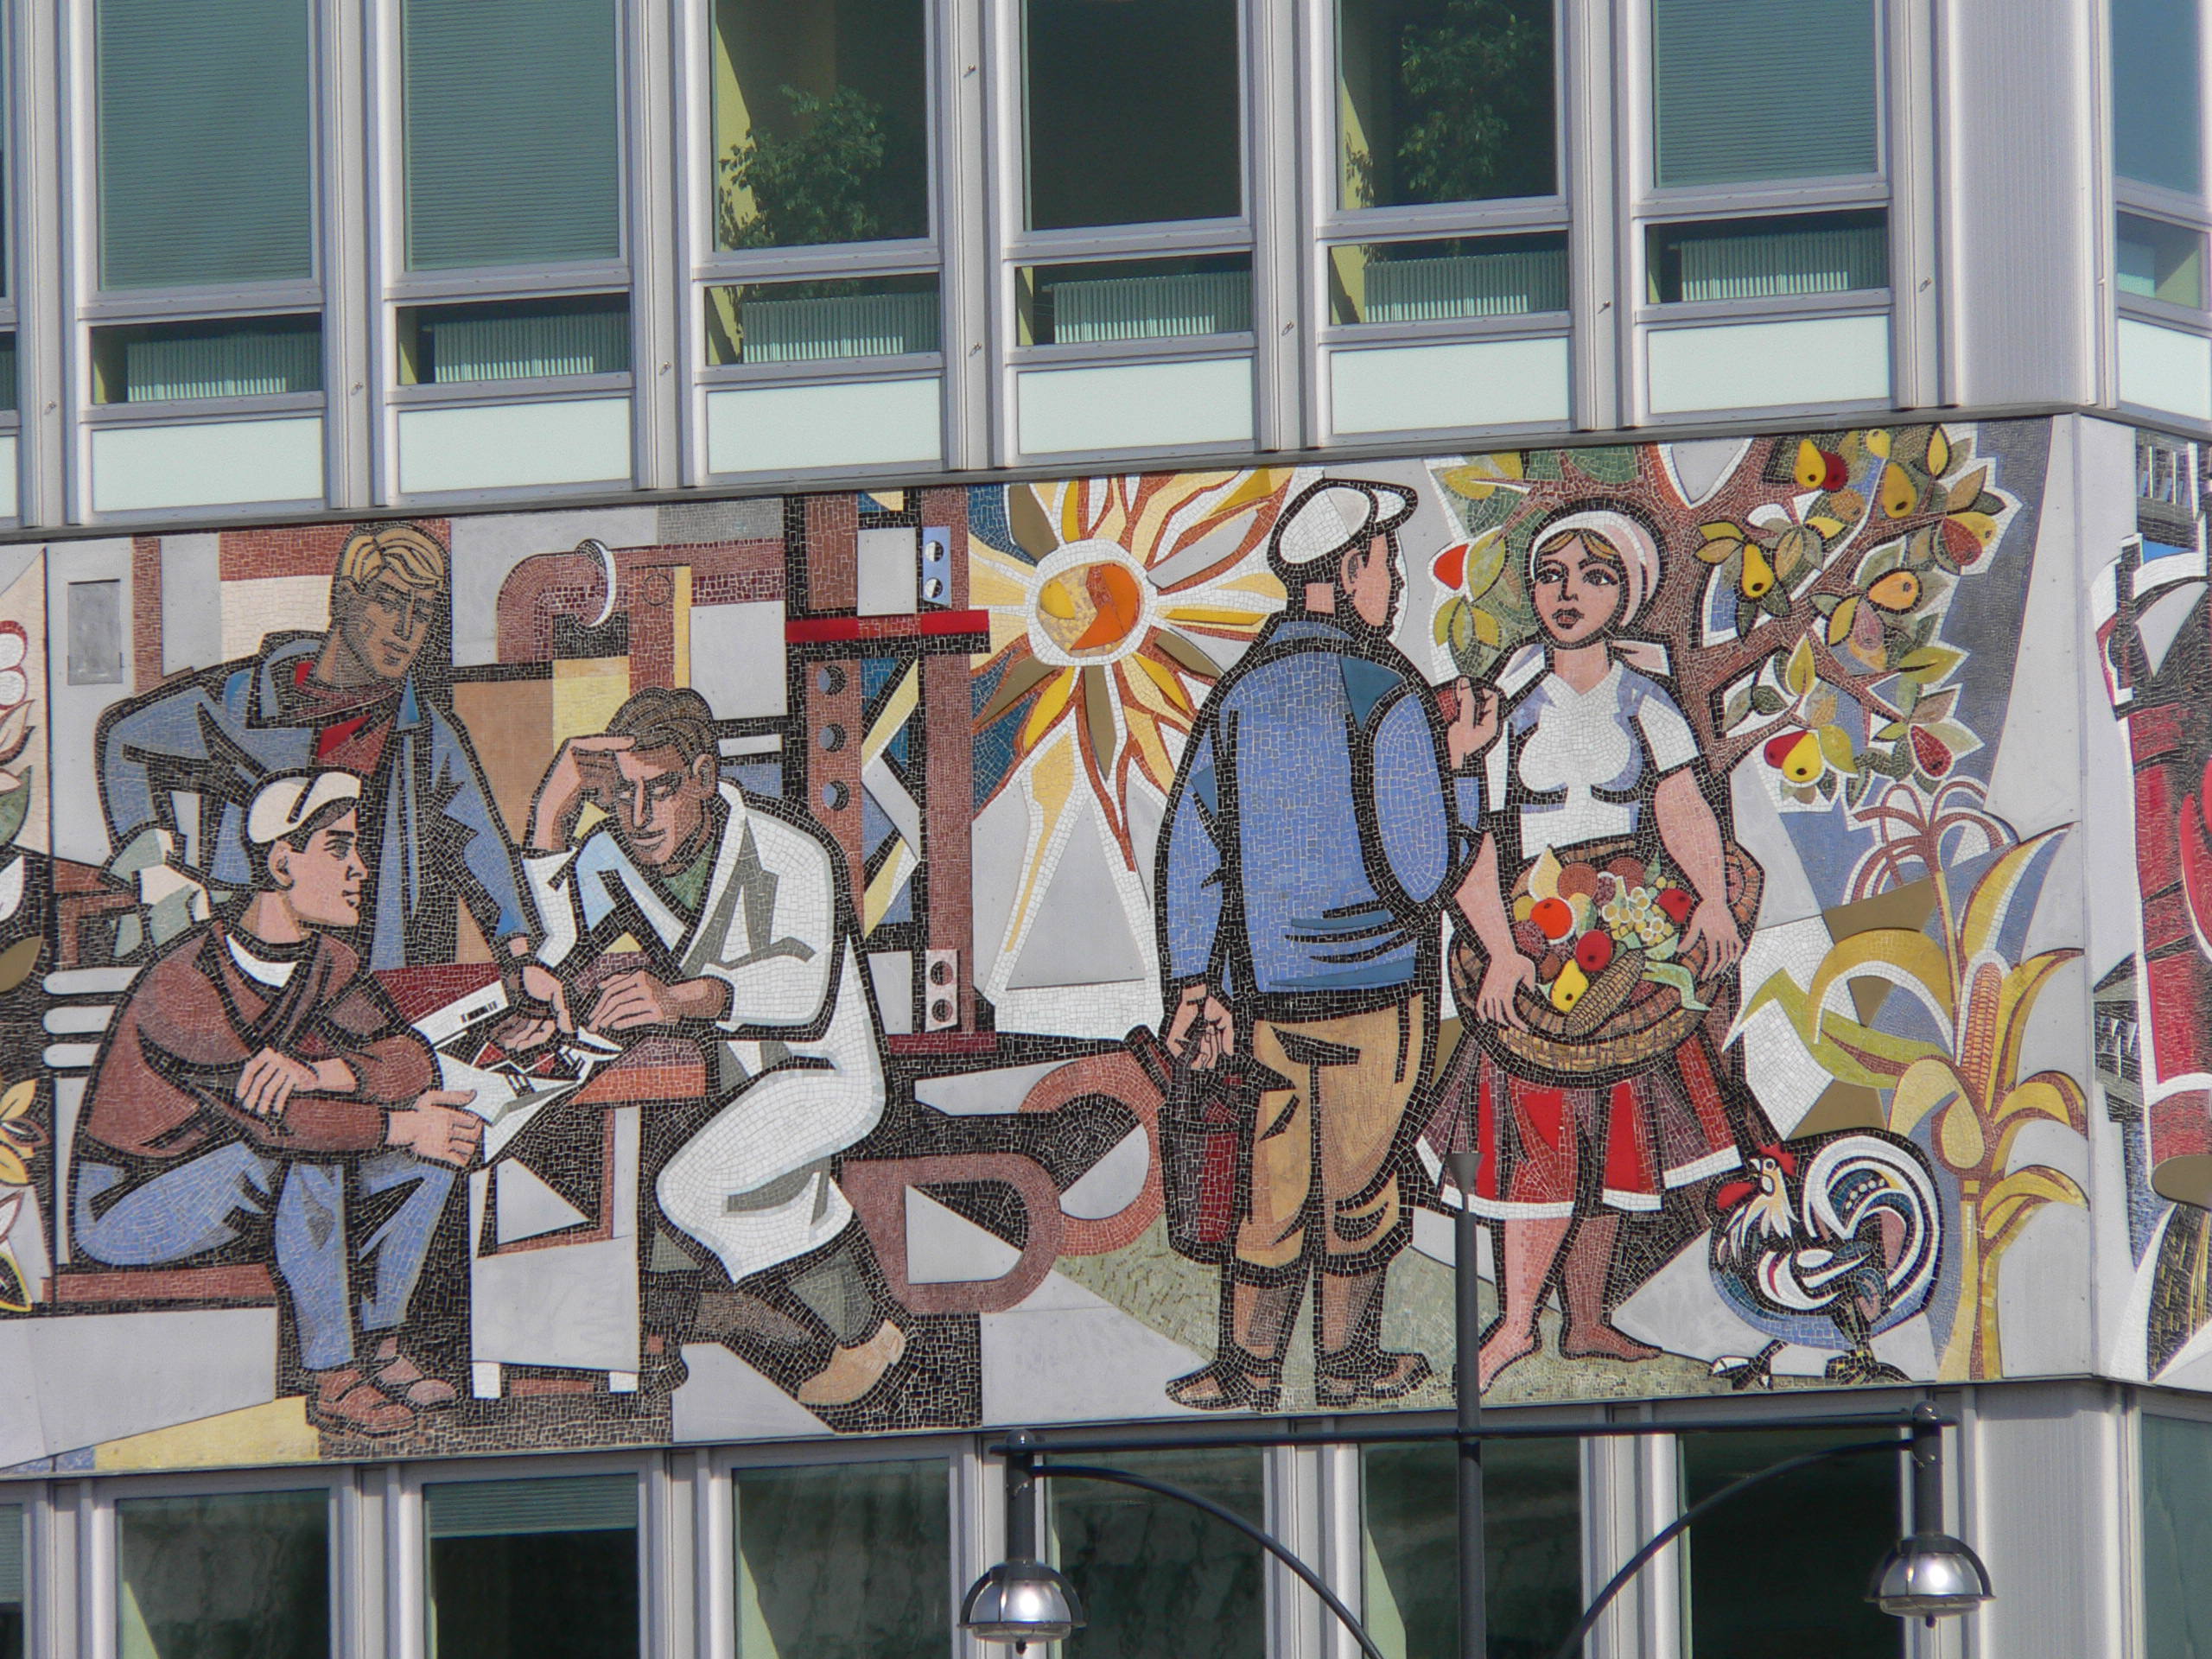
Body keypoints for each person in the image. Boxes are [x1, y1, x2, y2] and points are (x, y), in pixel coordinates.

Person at [1157, 477, 1492, 1411]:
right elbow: (1424, 873)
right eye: (1387, 562)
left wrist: (1195, 982)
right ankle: (1346, 1368)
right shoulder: (1387, 691)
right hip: (1378, 994)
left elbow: (1194, 849)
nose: (1399, 583)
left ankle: (1246, 1370)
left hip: (1266, 996)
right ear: (1347, 572)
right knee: (1360, 1191)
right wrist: (1464, 772)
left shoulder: (1237, 695)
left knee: (1268, 1193)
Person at [516, 687, 905, 1412]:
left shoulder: (790, 849)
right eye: (622, 793)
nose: (639, 816)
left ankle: (866, 1331)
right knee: (625, 1141)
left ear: (701, 776)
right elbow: (560, 945)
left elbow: (803, 994)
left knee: (692, 1186)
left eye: (660, 789)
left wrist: (678, 1000)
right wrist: (549, 818)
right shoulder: (610, 852)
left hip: (822, 1070)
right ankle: (657, 1334)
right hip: (718, 1066)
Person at [71, 771, 484, 1437]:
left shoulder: (329, 960)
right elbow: (279, 1126)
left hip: (239, 1178)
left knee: (435, 1148)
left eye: (357, 847)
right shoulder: (185, 982)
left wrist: (322, 1071)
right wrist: (402, 1123)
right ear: (282, 862)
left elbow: (410, 1059)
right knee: (313, 1158)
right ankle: (333, 1377)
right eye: (339, 848)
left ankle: (380, 1346)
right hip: (134, 1203)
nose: (360, 867)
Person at [1451, 508, 1747, 1389]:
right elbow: (1474, 836)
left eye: (1594, 575)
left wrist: (1713, 901)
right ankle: (1515, 1325)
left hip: (1624, 929)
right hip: (1535, 931)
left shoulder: (1647, 702)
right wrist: (1499, 950)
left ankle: (1585, 1318)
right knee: (1539, 1129)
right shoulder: (1510, 709)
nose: (1569, 592)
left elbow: (1682, 806)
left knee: (1618, 1126)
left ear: (1627, 594)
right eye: (1551, 575)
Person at [97, 521, 533, 973]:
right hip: (245, 955)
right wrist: (155, 870)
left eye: (421, 613)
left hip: (367, 962)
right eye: (388, 602)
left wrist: (521, 956)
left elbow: (481, 847)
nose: (405, 629)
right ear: (344, 598)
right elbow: (124, 738)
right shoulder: (245, 699)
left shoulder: (425, 731)